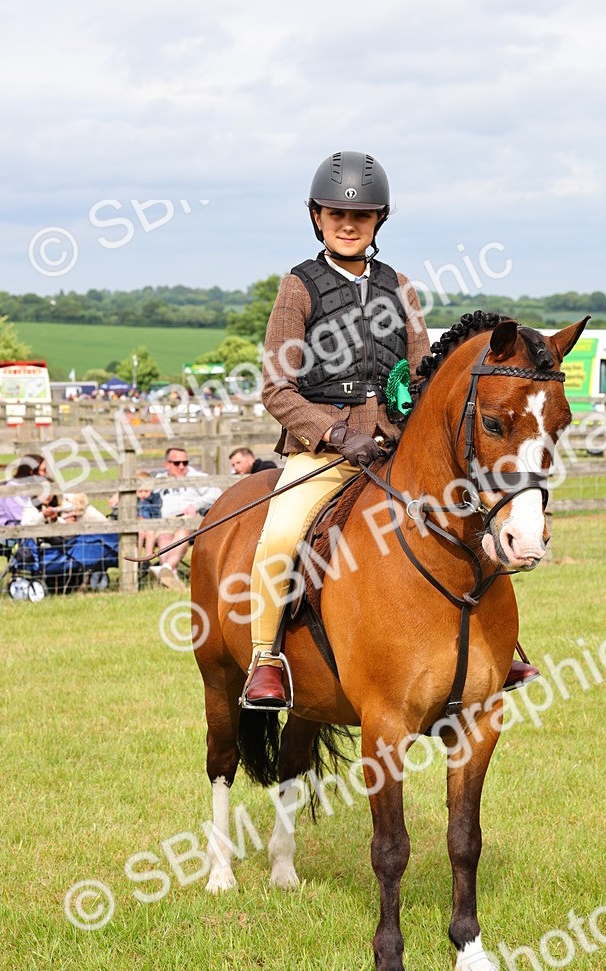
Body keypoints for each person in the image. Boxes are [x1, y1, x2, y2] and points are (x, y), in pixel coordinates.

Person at [243, 150, 432, 706]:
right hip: (321, 453)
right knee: (280, 537)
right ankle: (266, 658)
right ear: (317, 218)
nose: (348, 225)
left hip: (395, 449)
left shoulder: (402, 288)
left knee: (471, 514)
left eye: (361, 217)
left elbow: (421, 372)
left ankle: (501, 647)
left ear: (379, 221)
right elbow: (276, 388)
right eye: (336, 215)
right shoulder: (298, 286)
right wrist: (336, 434)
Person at [151, 446, 221, 590]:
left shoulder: (196, 477)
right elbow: (141, 490)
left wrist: (196, 504)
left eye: (185, 462)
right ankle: (171, 573)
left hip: (188, 520)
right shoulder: (159, 480)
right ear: (167, 464)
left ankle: (167, 567)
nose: (182, 467)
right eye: (177, 463)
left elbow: (215, 493)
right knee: (163, 536)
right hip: (166, 521)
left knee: (184, 527)